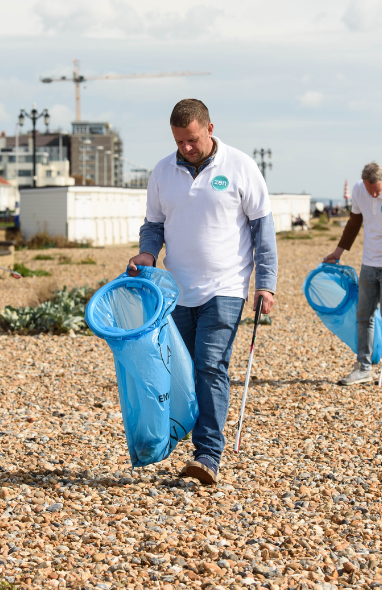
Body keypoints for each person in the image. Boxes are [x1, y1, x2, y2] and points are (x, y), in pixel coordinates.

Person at [128, 99, 278, 485]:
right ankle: (182, 436)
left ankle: (208, 455)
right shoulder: (162, 171)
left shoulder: (241, 166)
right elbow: (154, 224)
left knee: (210, 365)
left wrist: (266, 283)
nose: (186, 148)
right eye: (179, 141)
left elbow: (263, 230)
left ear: (210, 128)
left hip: (226, 287)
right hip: (177, 290)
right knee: (182, 369)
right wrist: (147, 252)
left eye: (192, 140)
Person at [324, 162, 382, 386]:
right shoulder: (359, 190)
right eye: (369, 189)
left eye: (376, 190)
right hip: (369, 263)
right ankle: (363, 367)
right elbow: (354, 223)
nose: (373, 194)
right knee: (363, 316)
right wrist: (338, 252)